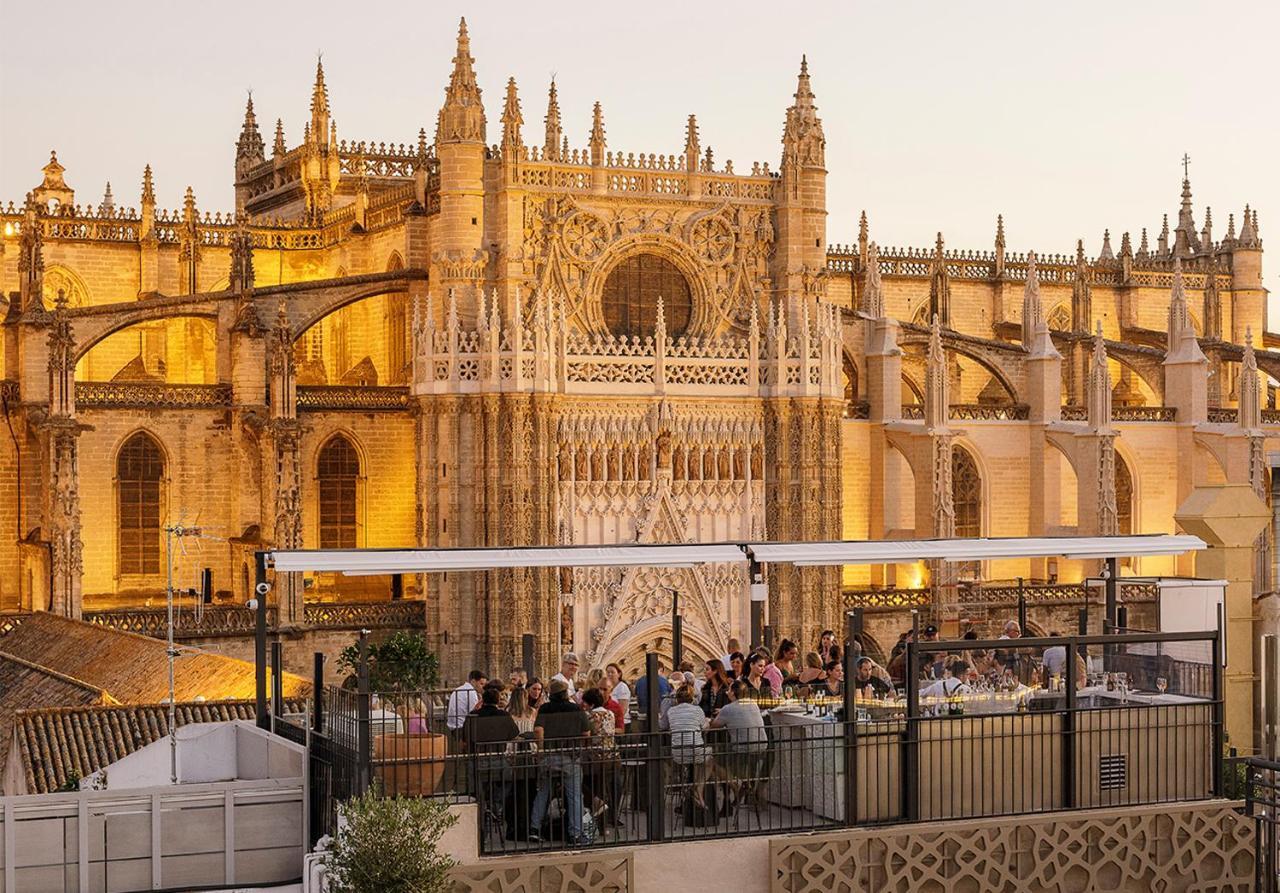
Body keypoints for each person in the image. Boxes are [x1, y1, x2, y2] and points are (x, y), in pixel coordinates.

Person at [529, 679, 591, 845]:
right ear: (565, 694)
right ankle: (576, 834)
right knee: (575, 796)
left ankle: (534, 828)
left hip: (549, 756)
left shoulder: (545, 708)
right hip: (570, 757)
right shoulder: (576, 709)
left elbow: (538, 730)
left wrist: (541, 750)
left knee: (543, 792)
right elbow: (586, 733)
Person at [462, 685, 520, 820]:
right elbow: (514, 735)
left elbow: (464, 741)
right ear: (498, 700)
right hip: (498, 759)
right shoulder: (504, 716)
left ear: (482, 699)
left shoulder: (472, 716)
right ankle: (496, 803)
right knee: (511, 778)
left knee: (476, 787)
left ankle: (482, 807)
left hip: (476, 759)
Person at [662, 685, 712, 808]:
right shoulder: (698, 710)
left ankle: (689, 788)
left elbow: (663, 725)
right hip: (696, 750)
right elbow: (703, 727)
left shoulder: (671, 711)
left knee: (690, 760)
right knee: (710, 757)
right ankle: (698, 787)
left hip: (678, 754)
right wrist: (708, 722)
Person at [711, 680, 768, 781]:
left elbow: (714, 725)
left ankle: (736, 784)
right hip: (761, 746)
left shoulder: (728, 709)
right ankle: (747, 785)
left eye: (729, 689)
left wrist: (710, 719)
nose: (727, 692)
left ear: (732, 692)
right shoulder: (752, 703)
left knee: (716, 759)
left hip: (742, 748)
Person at [447, 670, 487, 738]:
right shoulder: (471, 692)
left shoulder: (459, 689)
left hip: (453, 726)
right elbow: (474, 714)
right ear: (473, 681)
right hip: (461, 728)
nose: (483, 687)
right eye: (481, 684)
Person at [605, 663, 630, 730]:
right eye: (608, 672)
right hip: (609, 722)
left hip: (620, 723)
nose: (609, 674)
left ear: (619, 674)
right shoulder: (608, 687)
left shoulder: (622, 687)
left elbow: (622, 709)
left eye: (612, 672)